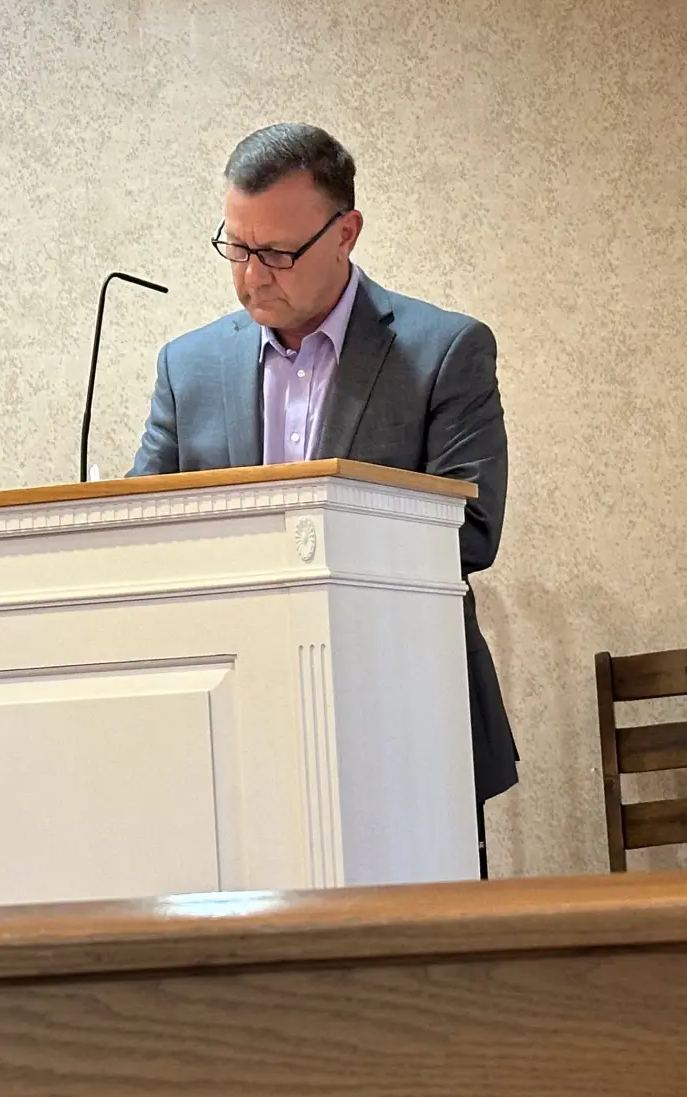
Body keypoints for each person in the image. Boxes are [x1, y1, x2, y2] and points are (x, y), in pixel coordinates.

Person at [129, 123, 518, 862]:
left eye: (276, 252)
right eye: (236, 248)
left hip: (403, 713)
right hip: (231, 722)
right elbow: (144, 530)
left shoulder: (445, 350)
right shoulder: (188, 365)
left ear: (346, 232)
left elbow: (471, 531)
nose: (252, 277)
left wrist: (304, 545)